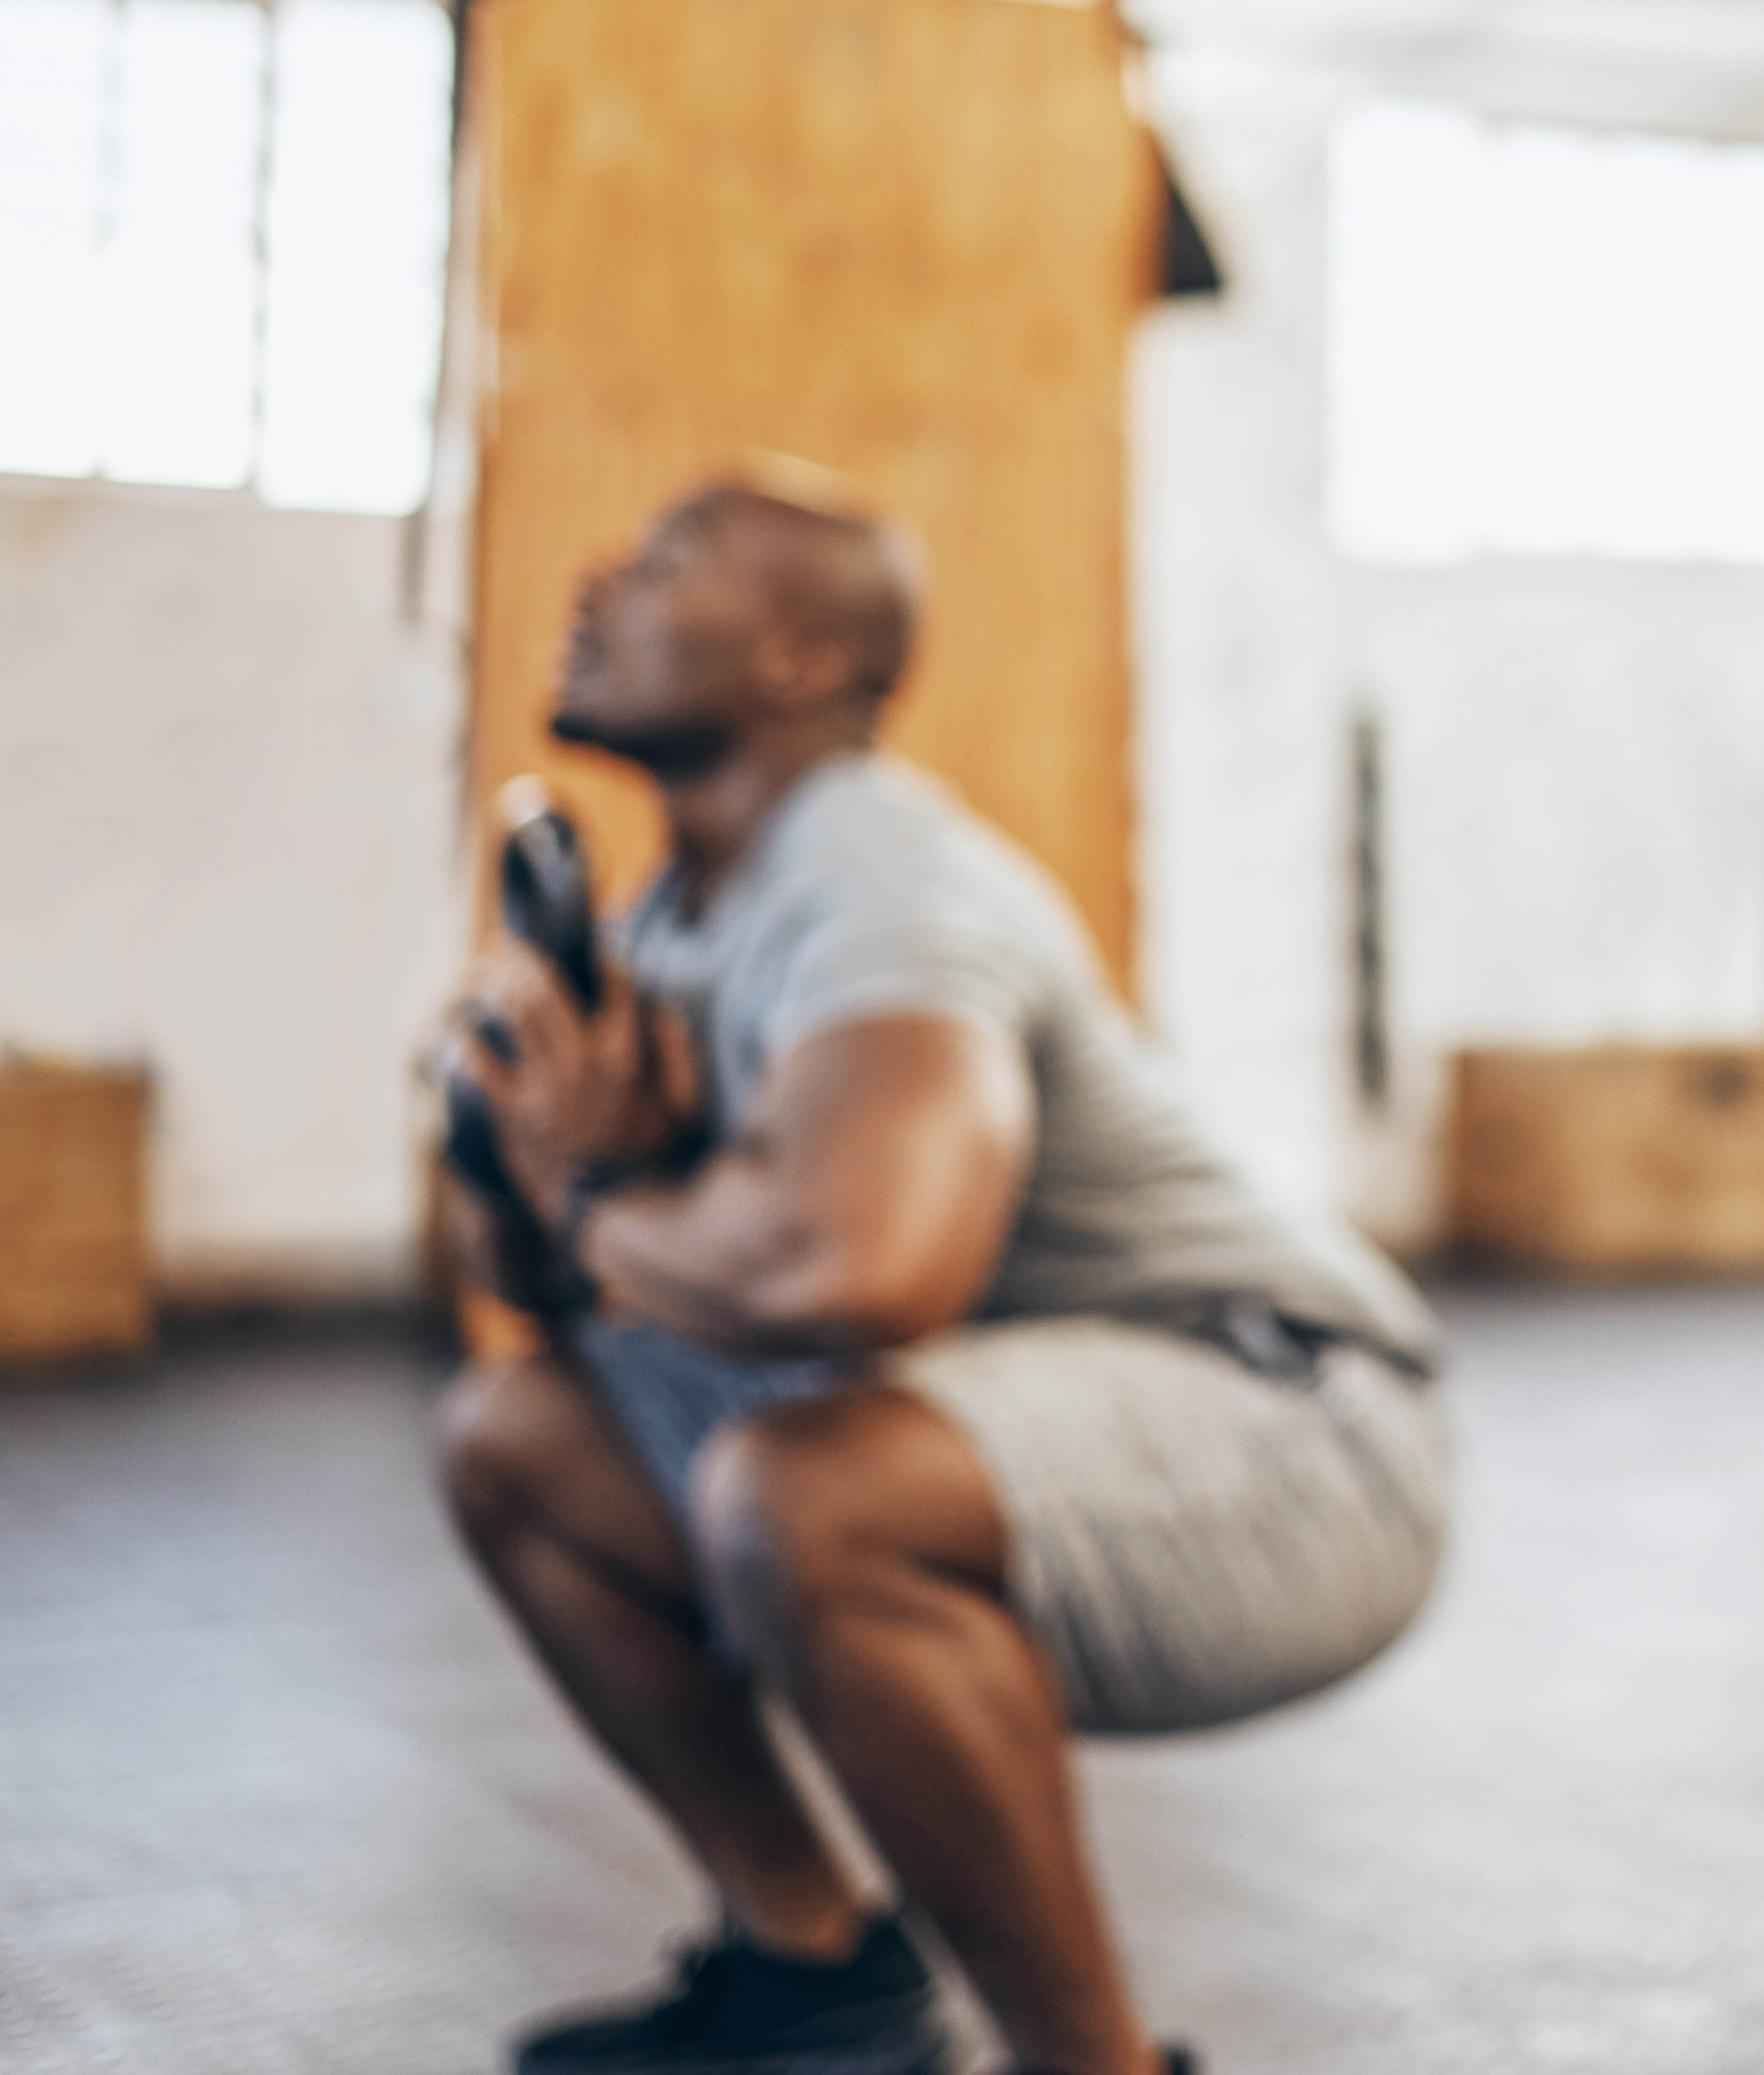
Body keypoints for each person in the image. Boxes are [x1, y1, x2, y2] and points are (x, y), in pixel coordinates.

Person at [441, 470, 1447, 2075]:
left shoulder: (875, 880)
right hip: (1042, 1416)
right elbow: (541, 1296)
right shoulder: (675, 915)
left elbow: (859, 1267)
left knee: (810, 1486)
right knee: (519, 1441)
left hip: (1303, 1435)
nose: (595, 581)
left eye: (663, 563)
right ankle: (815, 1980)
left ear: (791, 658)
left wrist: (583, 1191)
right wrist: (508, 1140)